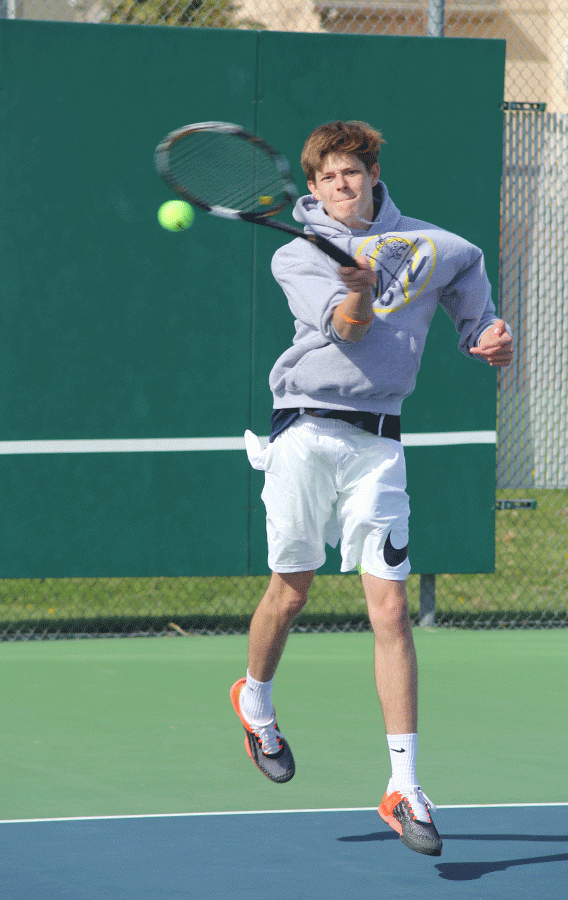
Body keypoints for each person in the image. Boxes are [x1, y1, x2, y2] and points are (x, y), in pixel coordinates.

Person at [230, 120, 513, 857]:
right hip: (305, 434)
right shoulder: (297, 256)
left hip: (380, 443)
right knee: (291, 590)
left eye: (350, 172)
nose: (339, 187)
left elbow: (467, 276)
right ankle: (254, 697)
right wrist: (356, 290)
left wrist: (484, 333)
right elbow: (349, 333)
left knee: (390, 608)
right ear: (313, 186)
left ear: (373, 172)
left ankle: (404, 785)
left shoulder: (431, 243)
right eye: (325, 178)